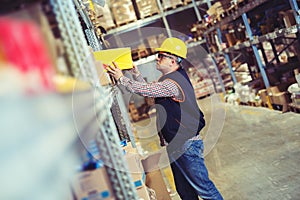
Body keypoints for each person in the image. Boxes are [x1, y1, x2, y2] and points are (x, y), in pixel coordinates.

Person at [105, 37, 223, 200]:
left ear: (173, 61)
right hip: (176, 144)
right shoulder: (170, 79)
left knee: (205, 190)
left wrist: (121, 78)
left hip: (186, 145)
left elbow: (147, 91)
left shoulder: (173, 83)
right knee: (185, 192)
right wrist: (136, 74)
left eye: (161, 55)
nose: (157, 58)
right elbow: (153, 90)